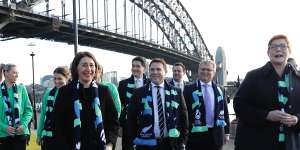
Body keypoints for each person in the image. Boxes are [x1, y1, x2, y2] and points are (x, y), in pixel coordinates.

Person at [234, 34, 300, 150]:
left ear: (289, 51)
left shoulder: (298, 79)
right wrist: (266, 115)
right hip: (257, 143)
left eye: (282, 46)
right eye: (273, 46)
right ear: (268, 52)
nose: (278, 49)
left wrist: (297, 119)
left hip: (290, 144)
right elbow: (239, 105)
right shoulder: (253, 76)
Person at [53, 51, 119, 150]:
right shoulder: (65, 92)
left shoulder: (104, 91)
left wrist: (109, 145)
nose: (88, 69)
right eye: (84, 65)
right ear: (76, 68)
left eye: (92, 65)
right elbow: (58, 124)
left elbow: (113, 121)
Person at [127, 58, 188, 150]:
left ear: (165, 72)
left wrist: (182, 142)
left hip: (170, 144)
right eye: (152, 69)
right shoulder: (138, 93)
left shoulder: (176, 92)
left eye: (158, 69)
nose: (155, 72)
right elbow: (131, 119)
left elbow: (184, 118)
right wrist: (134, 140)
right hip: (146, 144)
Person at [183, 60, 230, 150]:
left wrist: (227, 132)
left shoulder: (220, 89)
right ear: (198, 71)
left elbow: (225, 111)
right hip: (195, 135)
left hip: (216, 134)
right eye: (203, 69)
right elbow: (184, 114)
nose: (205, 72)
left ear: (214, 72)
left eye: (208, 70)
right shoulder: (188, 89)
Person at [118, 56, 149, 150]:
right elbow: (119, 106)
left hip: (147, 125)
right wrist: (119, 125)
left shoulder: (150, 83)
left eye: (138, 66)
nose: (135, 68)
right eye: (133, 66)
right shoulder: (123, 84)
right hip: (128, 125)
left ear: (144, 68)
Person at [0, 63, 33, 150]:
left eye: (17, 73)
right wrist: (4, 127)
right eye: (14, 72)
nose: (17, 75)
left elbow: (29, 110)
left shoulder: (21, 88)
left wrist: (24, 125)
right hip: (3, 134)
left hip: (20, 133)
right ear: (5, 73)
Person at [36, 66, 70, 150]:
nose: (57, 81)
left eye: (60, 78)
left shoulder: (71, 93)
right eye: (54, 78)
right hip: (48, 137)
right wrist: (39, 135)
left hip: (65, 137)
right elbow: (43, 114)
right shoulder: (48, 93)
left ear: (66, 78)